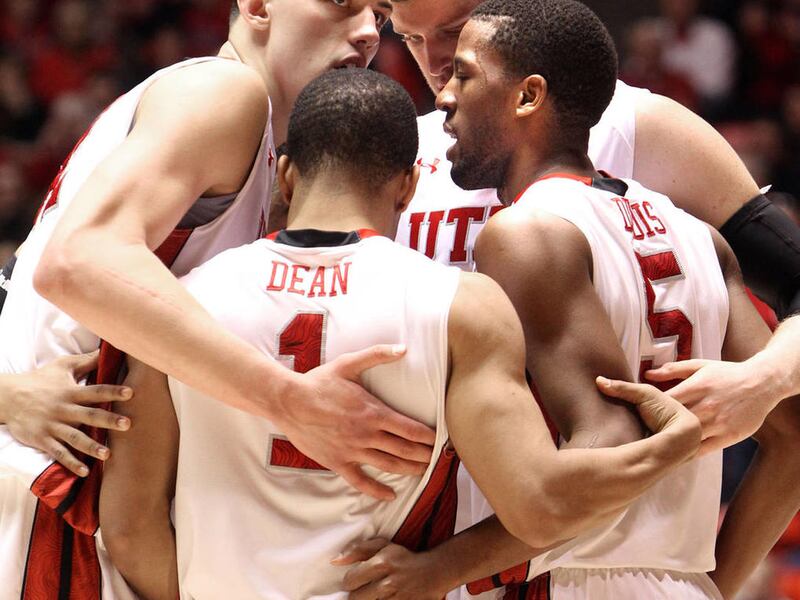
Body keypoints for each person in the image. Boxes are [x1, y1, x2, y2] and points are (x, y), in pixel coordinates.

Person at [97, 67, 702, 600]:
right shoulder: (458, 304)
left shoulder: (183, 301)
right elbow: (540, 508)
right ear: (410, 186)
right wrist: (669, 446)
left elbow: (127, 528)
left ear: (285, 177)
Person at [338, 1, 800, 598]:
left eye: (461, 62)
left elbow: (607, 451)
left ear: (529, 94)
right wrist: (708, 583)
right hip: (665, 575)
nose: (441, 81)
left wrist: (443, 568)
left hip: (548, 571)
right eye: (410, 40)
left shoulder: (531, 227)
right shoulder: (696, 234)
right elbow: (792, 436)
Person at [0, 2, 437, 599]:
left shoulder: (244, 134)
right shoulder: (224, 91)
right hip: (45, 507)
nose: (367, 32)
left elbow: (22, 280)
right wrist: (290, 402)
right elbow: (76, 263)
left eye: (380, 13)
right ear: (257, 5)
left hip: (72, 497)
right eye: (340, 2)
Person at [386, 0, 800, 455]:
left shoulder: (639, 124)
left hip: (579, 502)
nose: (434, 63)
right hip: (451, 503)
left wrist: (765, 380)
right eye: (410, 38)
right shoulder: (401, 148)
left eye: (453, 31)